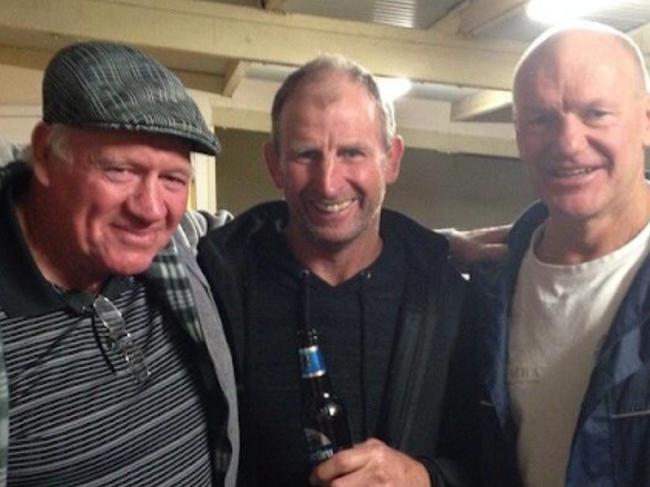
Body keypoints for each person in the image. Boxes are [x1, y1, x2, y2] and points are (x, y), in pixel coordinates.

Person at [198, 55, 467, 486]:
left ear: (391, 159)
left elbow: (495, 458)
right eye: (306, 154)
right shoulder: (216, 284)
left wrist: (425, 477)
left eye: (351, 152)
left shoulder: (445, 295)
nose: (328, 183)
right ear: (274, 165)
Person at [0, 41, 239, 486]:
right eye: (120, 170)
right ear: (46, 155)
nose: (149, 209)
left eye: (172, 178)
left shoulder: (176, 249)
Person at [453, 21, 650, 486]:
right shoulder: (490, 285)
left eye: (596, 113)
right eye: (542, 118)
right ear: (519, 131)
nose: (567, 142)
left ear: (646, 119)